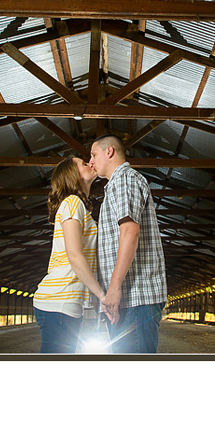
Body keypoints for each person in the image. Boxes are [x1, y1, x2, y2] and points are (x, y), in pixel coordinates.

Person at [89, 133, 167, 353]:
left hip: (135, 296)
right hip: (131, 299)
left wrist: (113, 289)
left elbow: (130, 231)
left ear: (109, 151)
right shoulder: (118, 183)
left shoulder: (123, 179)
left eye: (94, 154)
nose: (91, 161)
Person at [32, 156, 107, 353]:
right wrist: (101, 295)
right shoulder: (72, 202)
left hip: (64, 303)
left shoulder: (78, 206)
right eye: (83, 163)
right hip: (58, 300)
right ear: (73, 175)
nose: (90, 163)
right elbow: (74, 255)